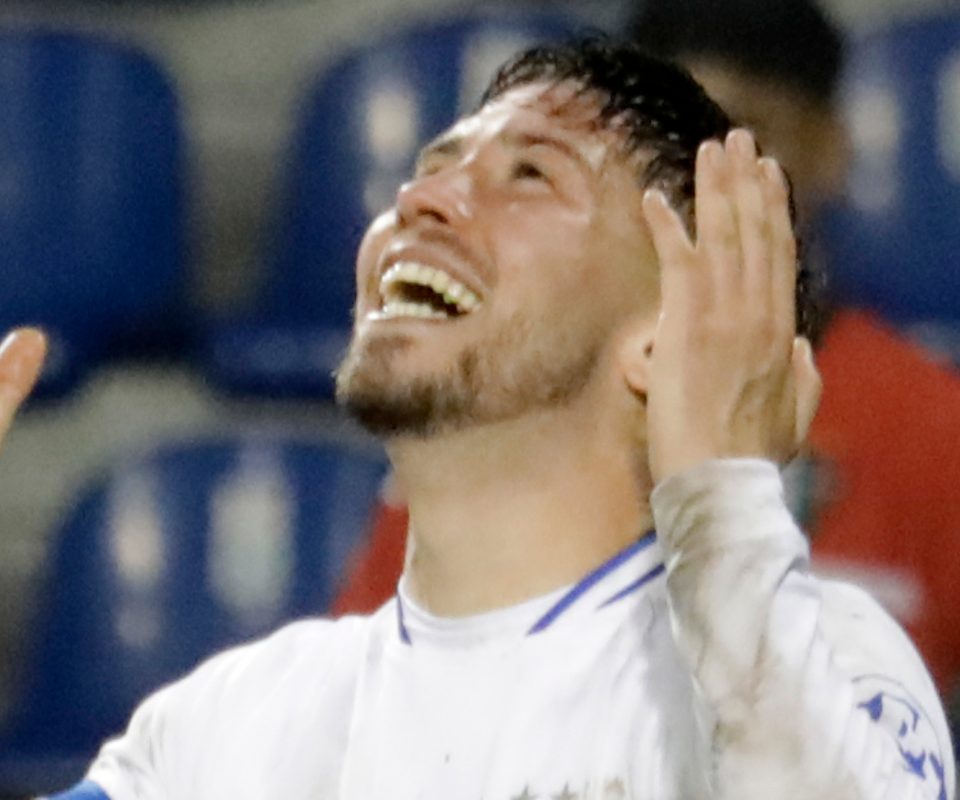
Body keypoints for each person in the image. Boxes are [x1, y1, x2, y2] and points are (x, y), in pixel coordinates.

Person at [0, 38, 953, 800]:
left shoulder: (823, 668)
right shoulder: (231, 722)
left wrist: (725, 496)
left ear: (670, 328)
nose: (420, 199)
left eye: (528, 174)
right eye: (432, 165)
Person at [336, 0, 960, 704]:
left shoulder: (934, 425)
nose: (700, 178)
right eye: (666, 148)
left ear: (831, 149)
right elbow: (368, 697)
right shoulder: (508, 406)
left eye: (743, 137)